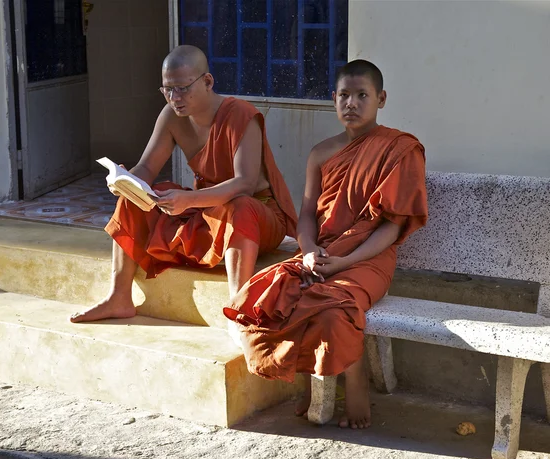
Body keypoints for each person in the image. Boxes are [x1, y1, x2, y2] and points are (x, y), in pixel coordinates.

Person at [223, 59, 428, 429]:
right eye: (344, 95)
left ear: (381, 99)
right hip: (323, 253)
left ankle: (355, 382)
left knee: (333, 310)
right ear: (333, 99)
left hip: (369, 259)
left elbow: (391, 228)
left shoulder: (399, 149)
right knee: (269, 299)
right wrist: (308, 250)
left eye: (362, 95)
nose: (352, 103)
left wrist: (345, 262)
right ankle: (310, 380)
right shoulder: (320, 153)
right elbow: (306, 215)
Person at [70, 45, 297, 323]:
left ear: (207, 82)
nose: (174, 98)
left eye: (182, 88)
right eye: (167, 90)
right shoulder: (170, 116)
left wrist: (188, 200)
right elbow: (148, 168)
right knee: (136, 199)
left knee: (239, 206)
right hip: (208, 212)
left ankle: (240, 309)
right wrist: (126, 181)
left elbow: (245, 184)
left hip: (256, 217)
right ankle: (119, 296)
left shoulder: (240, 114)